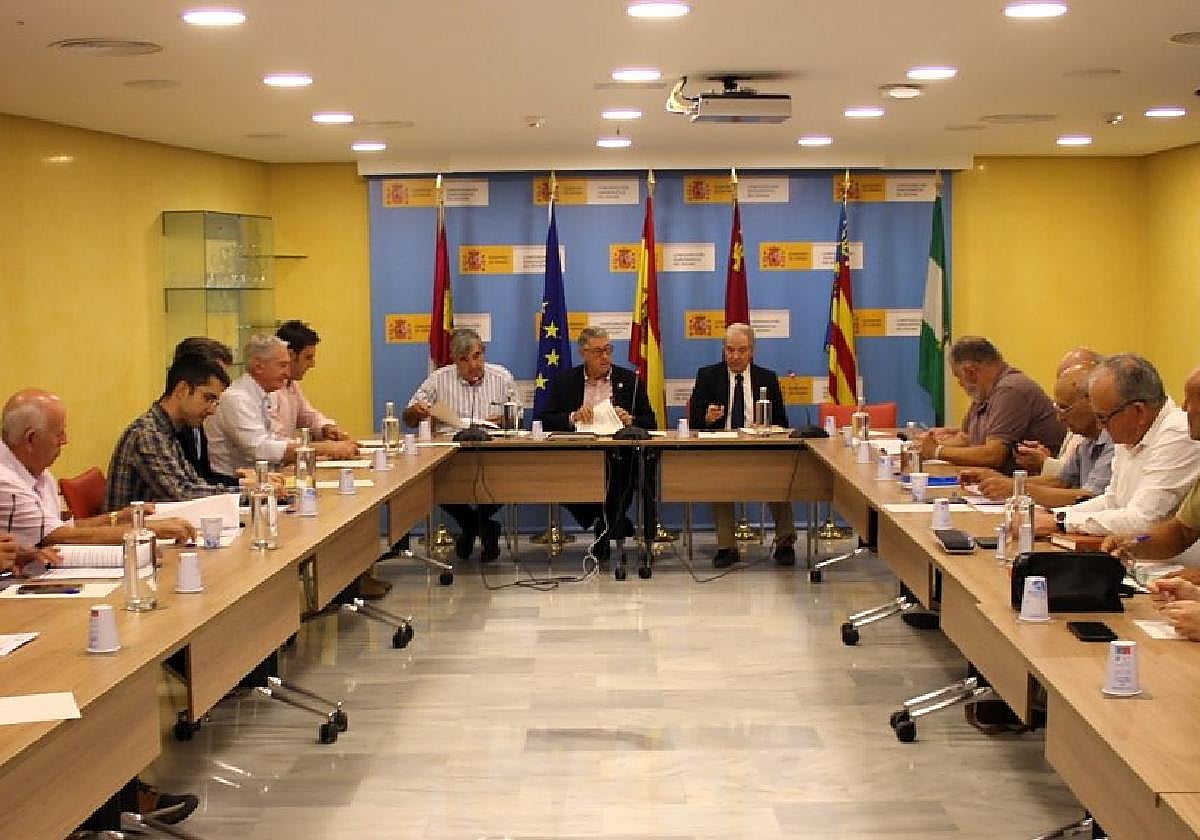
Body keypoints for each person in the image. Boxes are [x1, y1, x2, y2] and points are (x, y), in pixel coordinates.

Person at [1040, 357, 1200, 569]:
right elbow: (1113, 501)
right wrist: (1057, 516)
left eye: (1104, 419)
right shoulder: (1129, 431)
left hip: (1171, 570)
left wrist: (1061, 522)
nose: (1184, 407)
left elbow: (1143, 520)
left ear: (1138, 412)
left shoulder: (1179, 433)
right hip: (1146, 568)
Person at [0, 389, 194, 546]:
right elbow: (59, 536)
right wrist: (147, 531)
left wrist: (118, 517)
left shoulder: (39, 473)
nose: (65, 440)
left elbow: (62, 527)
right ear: (31, 439)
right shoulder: (6, 483)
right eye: (59, 434)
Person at [537, 326, 658, 558]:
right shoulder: (565, 381)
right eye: (598, 352)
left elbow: (650, 422)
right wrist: (573, 417)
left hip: (621, 455)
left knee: (626, 473)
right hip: (579, 454)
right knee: (564, 479)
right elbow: (547, 419)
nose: (605, 357)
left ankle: (610, 526)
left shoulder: (629, 380)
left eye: (608, 350)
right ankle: (609, 521)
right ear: (583, 353)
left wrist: (631, 421)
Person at [688, 323, 796, 568]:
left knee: (779, 475)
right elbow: (694, 420)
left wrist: (766, 426)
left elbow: (782, 422)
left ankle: (785, 542)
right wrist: (707, 417)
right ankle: (727, 547)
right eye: (730, 350)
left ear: (752, 351)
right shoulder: (708, 375)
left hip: (759, 447)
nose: (735, 356)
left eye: (741, 350)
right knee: (719, 479)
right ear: (723, 350)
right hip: (721, 448)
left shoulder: (767, 378)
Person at [405, 328, 514, 561]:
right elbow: (409, 418)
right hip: (451, 453)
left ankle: (473, 526)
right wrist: (417, 411)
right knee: (436, 483)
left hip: (492, 452)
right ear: (454, 360)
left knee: (508, 477)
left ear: (483, 352)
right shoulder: (438, 379)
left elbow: (517, 419)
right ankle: (478, 525)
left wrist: (506, 419)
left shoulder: (502, 377)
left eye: (477, 356)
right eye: (464, 359)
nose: (473, 364)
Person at [958, 362, 1113, 508]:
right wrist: (999, 480)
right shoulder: (1087, 440)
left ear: (1092, 402)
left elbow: (1091, 498)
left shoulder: (1113, 440)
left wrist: (1017, 490)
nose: (1059, 418)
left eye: (1064, 408)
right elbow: (1061, 482)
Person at [206, 334, 355, 475]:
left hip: (266, 478)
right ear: (258, 366)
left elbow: (277, 438)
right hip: (234, 485)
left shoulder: (265, 392)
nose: (287, 373)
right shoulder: (237, 398)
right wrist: (323, 449)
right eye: (282, 365)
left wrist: (320, 445)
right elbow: (260, 448)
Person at [105, 352, 235, 510]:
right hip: (134, 525)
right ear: (182, 390)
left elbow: (193, 483)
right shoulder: (147, 434)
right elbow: (181, 495)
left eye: (215, 402)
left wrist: (243, 492)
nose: (212, 410)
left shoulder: (168, 431)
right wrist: (246, 494)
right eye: (208, 398)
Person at [919, 336, 1066, 475]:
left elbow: (993, 455)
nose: (960, 384)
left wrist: (937, 451)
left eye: (959, 377)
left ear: (970, 372)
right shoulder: (984, 393)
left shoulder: (1010, 390)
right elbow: (965, 438)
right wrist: (925, 446)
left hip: (1030, 484)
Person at [1015, 346, 1104, 477]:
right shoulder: (1085, 437)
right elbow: (1067, 477)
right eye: (1062, 377)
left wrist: (1045, 463)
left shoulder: (1112, 437)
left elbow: (1081, 485)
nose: (1059, 418)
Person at [271, 320, 353, 443]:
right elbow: (274, 441)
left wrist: (326, 428)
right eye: (308, 357)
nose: (312, 364)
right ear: (290, 355)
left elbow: (307, 416)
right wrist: (321, 449)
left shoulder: (291, 384)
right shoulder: (270, 388)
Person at [173, 336, 240, 487]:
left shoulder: (194, 422)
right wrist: (244, 487)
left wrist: (241, 483)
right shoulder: (157, 432)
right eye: (217, 374)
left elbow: (202, 477)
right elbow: (183, 492)